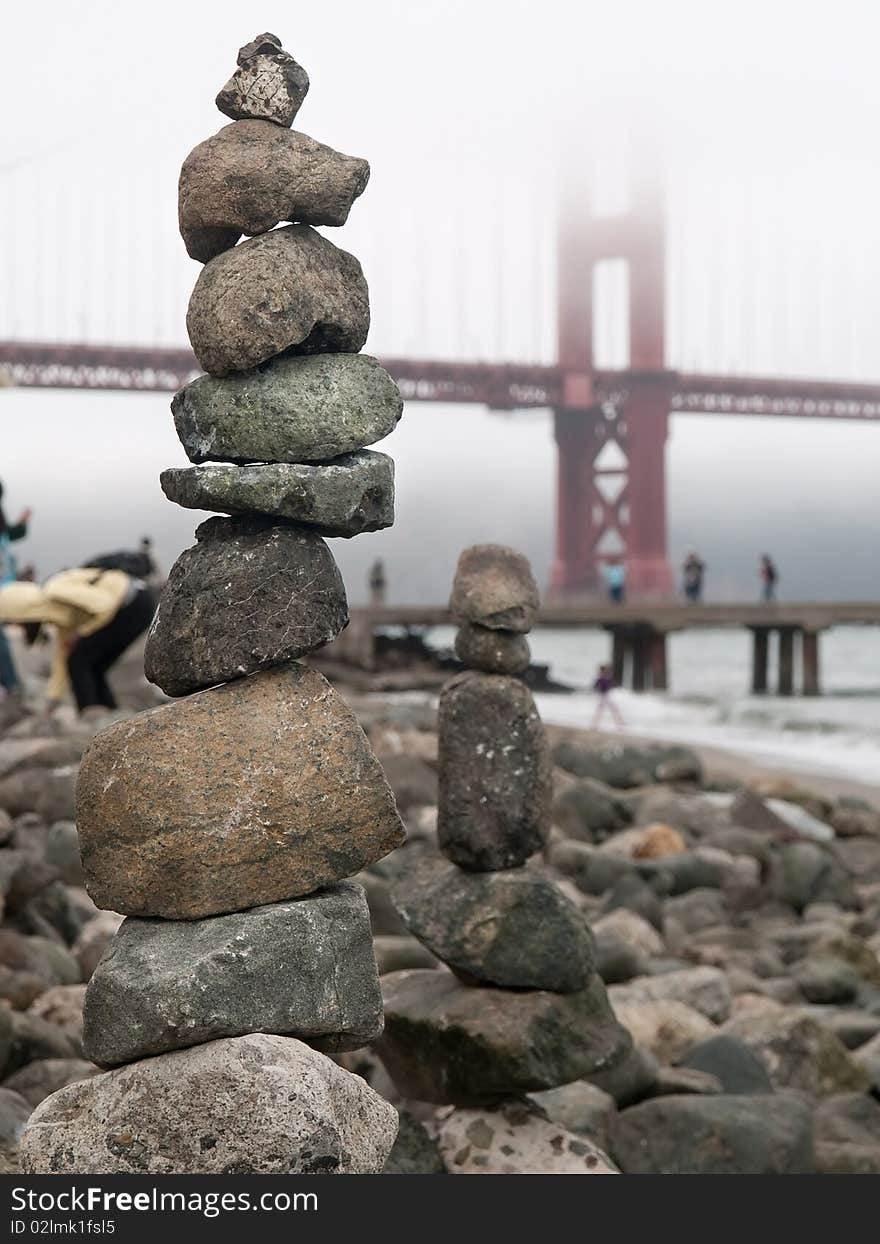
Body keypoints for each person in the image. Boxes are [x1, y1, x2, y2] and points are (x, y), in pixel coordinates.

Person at [0, 566, 155, 714]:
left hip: (134, 603)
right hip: (131, 605)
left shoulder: (55, 590)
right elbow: (62, 657)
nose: (19, 626)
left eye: (16, 620)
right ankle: (108, 713)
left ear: (20, 609)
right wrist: (53, 699)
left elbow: (104, 605)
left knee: (79, 661)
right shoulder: (58, 615)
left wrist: (81, 633)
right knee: (90, 664)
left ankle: (90, 714)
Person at [0, 483, 33, 699]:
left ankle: (11, 685)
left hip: (6, 586)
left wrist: (21, 525)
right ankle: (11, 685)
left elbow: (10, 533)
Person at [591, 663, 624, 729]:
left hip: (606, 695)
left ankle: (595, 724)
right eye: (606, 670)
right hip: (604, 696)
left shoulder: (605, 678)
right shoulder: (602, 678)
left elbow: (611, 685)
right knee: (611, 709)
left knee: (605, 710)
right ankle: (619, 723)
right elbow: (597, 686)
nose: (607, 671)